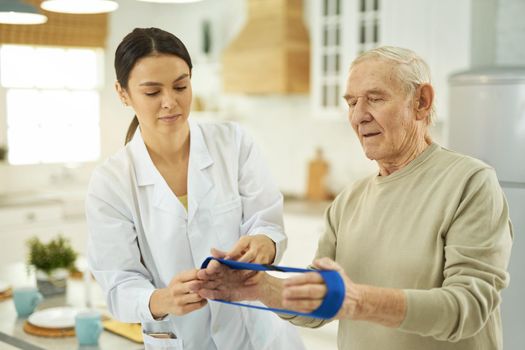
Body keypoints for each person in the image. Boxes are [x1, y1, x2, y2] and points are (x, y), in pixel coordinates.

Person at [197, 46, 513, 350]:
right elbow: (320, 303)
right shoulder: (348, 201)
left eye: (375, 99)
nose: (359, 116)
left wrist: (358, 301)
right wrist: (259, 287)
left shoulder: (469, 183)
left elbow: (468, 308)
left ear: (421, 101)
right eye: (351, 103)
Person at [85, 27, 305, 350]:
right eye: (152, 92)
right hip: (181, 339)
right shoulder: (111, 183)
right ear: (123, 93)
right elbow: (118, 284)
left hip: (259, 336)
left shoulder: (234, 144)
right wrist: (161, 300)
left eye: (180, 86)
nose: (170, 102)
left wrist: (264, 243)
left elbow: (267, 221)